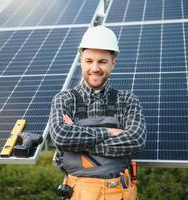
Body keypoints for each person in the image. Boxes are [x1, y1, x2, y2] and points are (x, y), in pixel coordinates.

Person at [49, 26, 146, 200]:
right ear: (81, 60)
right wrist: (108, 132)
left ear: (113, 63)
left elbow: (135, 141)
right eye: (89, 60)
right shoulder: (64, 99)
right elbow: (61, 137)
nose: (95, 68)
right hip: (78, 192)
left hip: (120, 192)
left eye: (102, 61)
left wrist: (77, 143)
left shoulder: (127, 100)